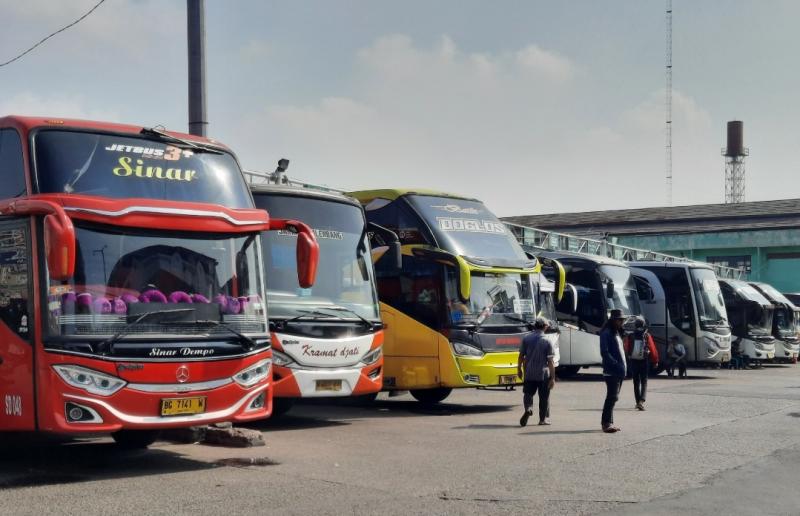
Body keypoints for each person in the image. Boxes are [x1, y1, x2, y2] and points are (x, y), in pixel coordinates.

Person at [517, 317, 556, 427]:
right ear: (544, 326)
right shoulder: (547, 341)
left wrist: (518, 369)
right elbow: (550, 362)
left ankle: (528, 408)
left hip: (529, 372)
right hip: (543, 374)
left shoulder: (526, 338)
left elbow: (521, 356)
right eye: (547, 325)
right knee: (544, 397)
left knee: (528, 393)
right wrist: (552, 378)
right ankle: (543, 419)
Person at [599, 309, 627, 433]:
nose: (621, 322)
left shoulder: (617, 333)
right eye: (619, 320)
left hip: (620, 370)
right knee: (612, 397)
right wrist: (615, 364)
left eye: (622, 320)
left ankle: (609, 422)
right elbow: (604, 352)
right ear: (613, 320)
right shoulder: (606, 333)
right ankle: (606, 423)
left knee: (614, 397)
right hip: (612, 371)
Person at [624, 317, 659, 411]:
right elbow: (652, 349)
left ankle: (637, 402)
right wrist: (655, 361)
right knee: (644, 382)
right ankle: (641, 401)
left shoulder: (630, 335)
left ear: (635, 325)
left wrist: (627, 359)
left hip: (633, 361)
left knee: (636, 382)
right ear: (643, 325)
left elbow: (626, 348)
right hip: (644, 361)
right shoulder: (646, 335)